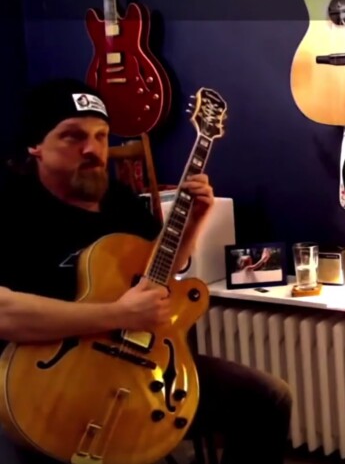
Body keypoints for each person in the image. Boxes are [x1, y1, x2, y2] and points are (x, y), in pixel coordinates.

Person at [0, 79, 293, 464]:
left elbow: (155, 273)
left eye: (101, 136)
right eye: (72, 137)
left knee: (268, 398)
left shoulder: (119, 199)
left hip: (141, 365)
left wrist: (193, 223)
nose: (93, 150)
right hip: (43, 384)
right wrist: (118, 314)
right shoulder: (11, 206)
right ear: (35, 146)